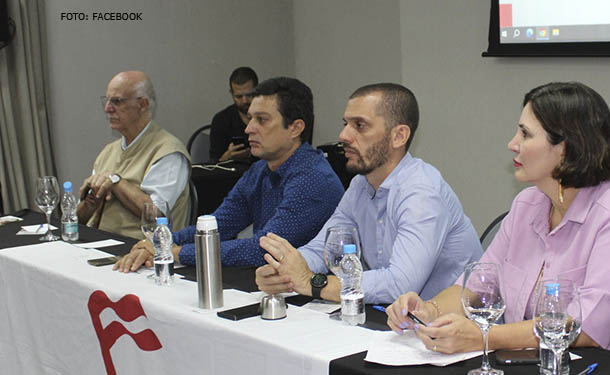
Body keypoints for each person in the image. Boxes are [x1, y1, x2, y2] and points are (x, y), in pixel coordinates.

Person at [386, 82, 610, 356]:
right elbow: (476, 287)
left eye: (525, 134)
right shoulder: (526, 204)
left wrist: (483, 337)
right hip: (531, 362)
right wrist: (427, 309)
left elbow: (586, 327)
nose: (512, 144)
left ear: (565, 148)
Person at [253, 83, 482, 304]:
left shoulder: (421, 192)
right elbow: (322, 249)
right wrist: (284, 270)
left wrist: (314, 283)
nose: (343, 135)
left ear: (399, 136)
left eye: (359, 125)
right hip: (399, 321)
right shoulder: (360, 185)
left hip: (457, 329)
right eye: (345, 124)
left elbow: (399, 284)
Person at [113, 77, 344, 271]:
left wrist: (176, 252)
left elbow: (262, 250)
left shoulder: (312, 179)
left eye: (261, 120)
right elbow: (218, 225)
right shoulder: (260, 170)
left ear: (295, 128)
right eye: (250, 117)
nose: (248, 128)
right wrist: (160, 242)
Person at [77, 71, 191, 239]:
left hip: (142, 252)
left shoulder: (168, 151)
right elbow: (79, 220)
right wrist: (91, 200)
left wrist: (115, 182)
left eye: (117, 101)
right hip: (99, 243)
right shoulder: (108, 152)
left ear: (143, 104)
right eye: (107, 101)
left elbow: (156, 215)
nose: (108, 108)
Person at [209, 67, 258, 163]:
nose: (244, 101)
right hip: (232, 175)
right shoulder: (221, 120)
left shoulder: (268, 117)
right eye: (239, 96)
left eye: (249, 95)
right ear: (232, 94)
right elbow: (213, 165)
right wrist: (227, 156)